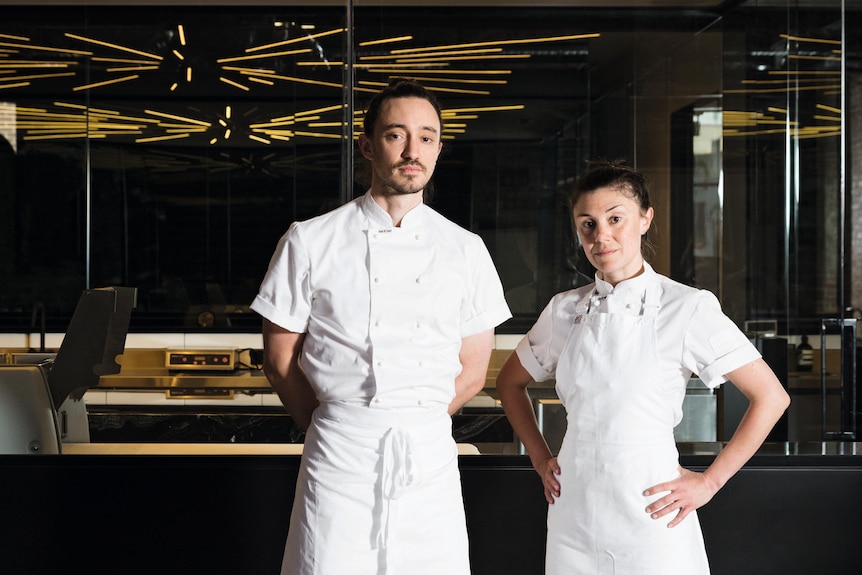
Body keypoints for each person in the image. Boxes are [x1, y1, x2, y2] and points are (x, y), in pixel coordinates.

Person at [250, 78, 511, 575]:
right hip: (338, 453)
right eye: (396, 135)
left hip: (428, 456)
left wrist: (417, 419)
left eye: (427, 137)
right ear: (367, 145)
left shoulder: (466, 249)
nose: (413, 150)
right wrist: (338, 426)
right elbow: (279, 363)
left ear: (438, 149)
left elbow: (473, 372)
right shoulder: (310, 240)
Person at [496, 161, 790, 575]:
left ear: (645, 219)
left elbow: (771, 397)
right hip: (572, 514)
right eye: (587, 224)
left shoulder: (687, 307)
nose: (602, 236)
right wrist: (541, 459)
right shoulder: (564, 309)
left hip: (653, 513)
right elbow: (510, 384)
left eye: (616, 218)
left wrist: (709, 482)